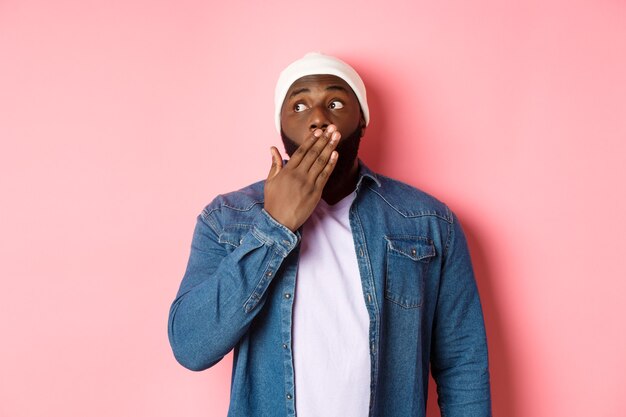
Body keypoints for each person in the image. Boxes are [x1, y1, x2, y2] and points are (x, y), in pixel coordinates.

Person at [167, 52, 492, 417]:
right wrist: (274, 226)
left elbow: (462, 363)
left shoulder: (428, 222)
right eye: (300, 105)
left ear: (362, 121)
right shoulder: (227, 219)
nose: (319, 118)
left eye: (335, 102)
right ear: (281, 125)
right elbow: (191, 346)